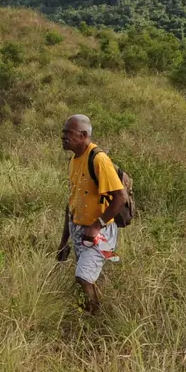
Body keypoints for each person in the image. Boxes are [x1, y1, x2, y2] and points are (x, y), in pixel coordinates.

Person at [54, 114, 129, 314]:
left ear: (83, 135)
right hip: (79, 229)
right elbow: (71, 206)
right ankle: (89, 314)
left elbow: (120, 197)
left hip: (99, 232)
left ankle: (94, 318)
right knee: (85, 279)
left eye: (68, 133)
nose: (63, 137)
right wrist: (64, 242)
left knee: (83, 278)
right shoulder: (74, 161)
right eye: (63, 132)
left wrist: (96, 226)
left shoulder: (98, 159)